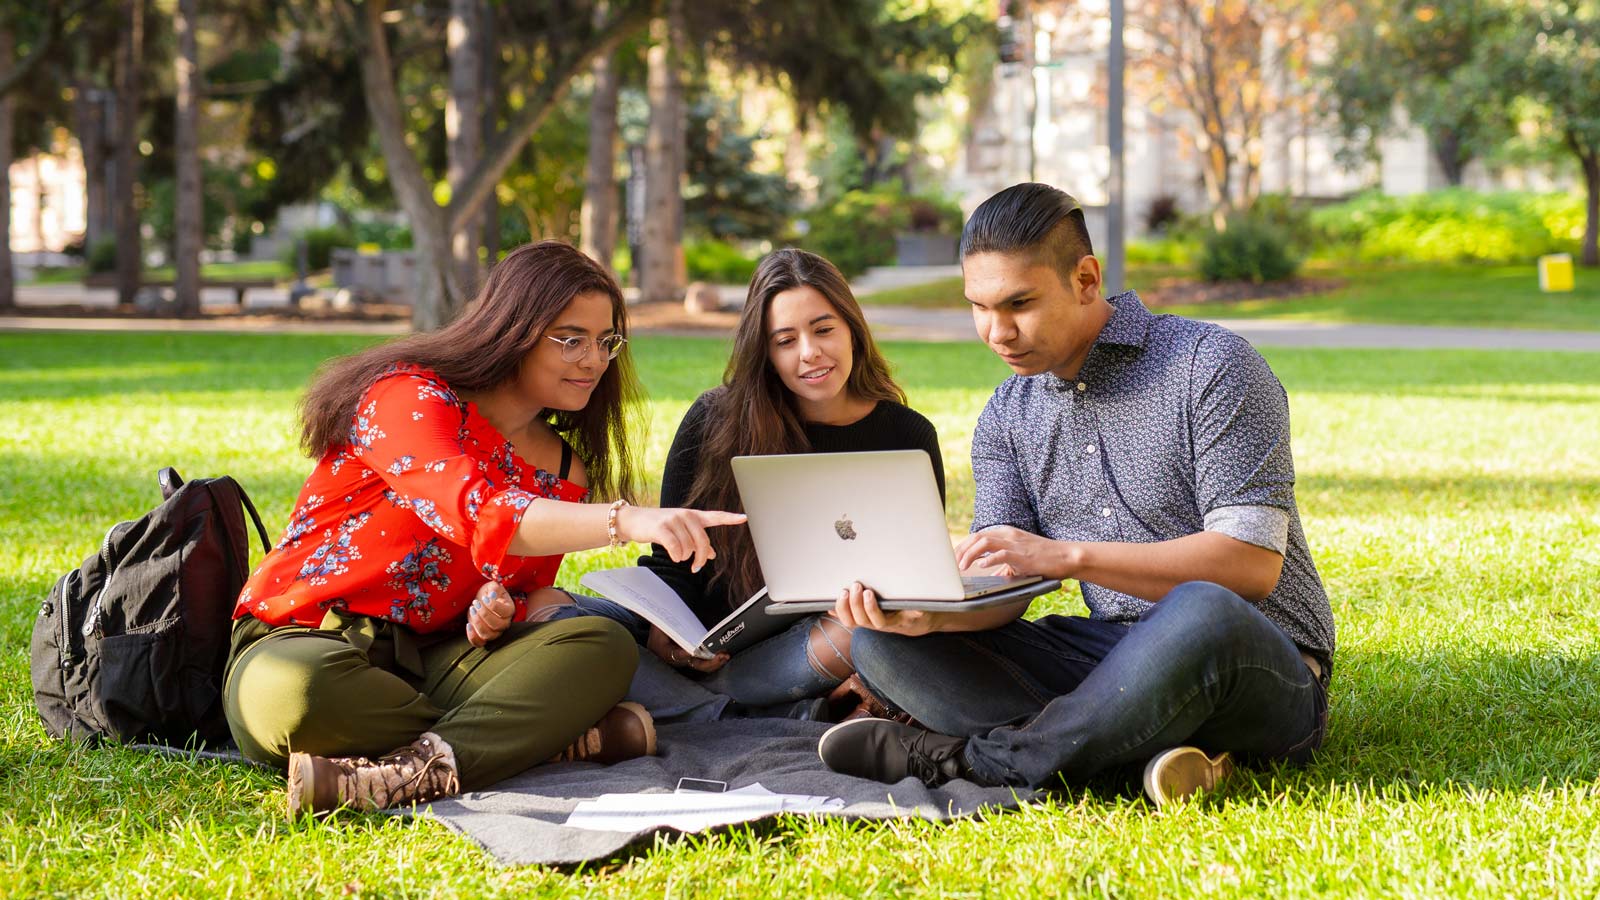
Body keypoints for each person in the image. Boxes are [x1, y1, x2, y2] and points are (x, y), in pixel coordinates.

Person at [816, 183, 1335, 807]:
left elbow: (1249, 568)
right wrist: (934, 614)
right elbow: (1003, 586)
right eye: (978, 306)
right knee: (884, 642)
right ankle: (1138, 752)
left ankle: (981, 761)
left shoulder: (1211, 364)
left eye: (1019, 303)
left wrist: (1066, 556)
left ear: (1086, 278)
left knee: (1204, 609)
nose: (996, 332)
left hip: (1253, 659)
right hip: (1108, 663)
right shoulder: (1007, 414)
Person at [224, 241, 745, 817]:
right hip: (309, 639)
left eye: (606, 341)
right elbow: (480, 508)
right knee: (298, 698)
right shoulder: (407, 396)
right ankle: (534, 741)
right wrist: (627, 519)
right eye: (571, 339)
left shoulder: (562, 465)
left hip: (443, 659)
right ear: (513, 329)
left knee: (601, 647)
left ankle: (414, 770)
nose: (595, 360)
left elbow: (522, 593)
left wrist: (496, 608)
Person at [558, 248, 944, 722]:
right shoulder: (713, 420)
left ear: (852, 330)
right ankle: (758, 714)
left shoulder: (907, 436)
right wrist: (669, 636)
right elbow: (670, 569)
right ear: (765, 353)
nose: (810, 353)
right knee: (553, 611)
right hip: (699, 645)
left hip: (814, 650)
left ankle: (704, 711)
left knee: (854, 634)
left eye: (824, 330)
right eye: (785, 340)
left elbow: (921, 582)